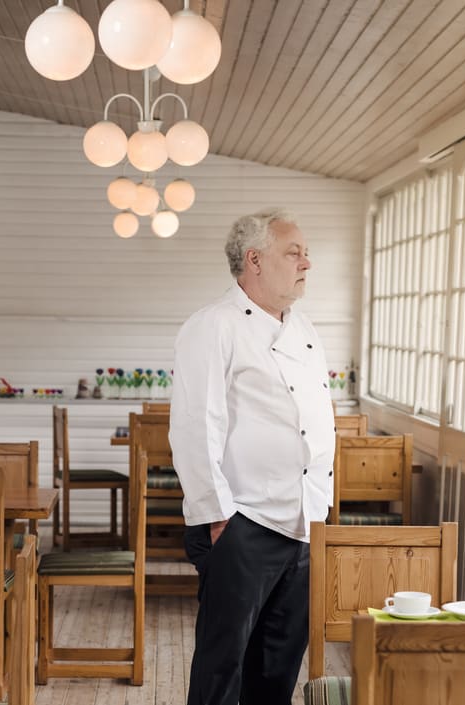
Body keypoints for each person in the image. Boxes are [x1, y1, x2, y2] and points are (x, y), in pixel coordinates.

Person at [170, 208, 336, 705]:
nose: (307, 262)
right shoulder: (212, 326)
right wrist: (218, 517)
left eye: (306, 252)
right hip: (242, 520)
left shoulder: (304, 328)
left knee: (279, 668)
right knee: (223, 668)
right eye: (295, 252)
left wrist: (319, 510)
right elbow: (196, 426)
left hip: (303, 522)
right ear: (255, 260)